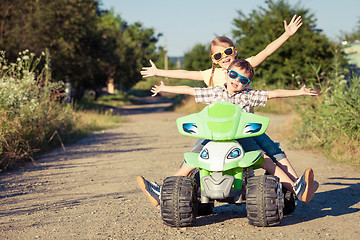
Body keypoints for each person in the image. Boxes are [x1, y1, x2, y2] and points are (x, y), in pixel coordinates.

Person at [138, 15, 304, 202]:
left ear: (235, 52)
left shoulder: (243, 69)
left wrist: (286, 35)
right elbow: (185, 79)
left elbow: (265, 54)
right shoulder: (211, 78)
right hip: (215, 130)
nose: (224, 57)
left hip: (243, 129)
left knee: (268, 153)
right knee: (192, 158)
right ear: (214, 60)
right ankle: (165, 193)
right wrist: (158, 73)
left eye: (227, 52)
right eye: (218, 55)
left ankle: (297, 185)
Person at [138, 59, 319, 208]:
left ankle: (297, 189)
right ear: (226, 74)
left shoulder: (249, 95)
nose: (237, 81)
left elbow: (273, 94)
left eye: (243, 80)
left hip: (241, 137)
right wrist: (165, 88)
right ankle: (162, 192)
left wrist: (299, 92)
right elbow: (190, 90)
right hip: (213, 137)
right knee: (191, 160)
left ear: (248, 83)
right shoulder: (215, 92)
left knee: (264, 160)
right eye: (234, 75)